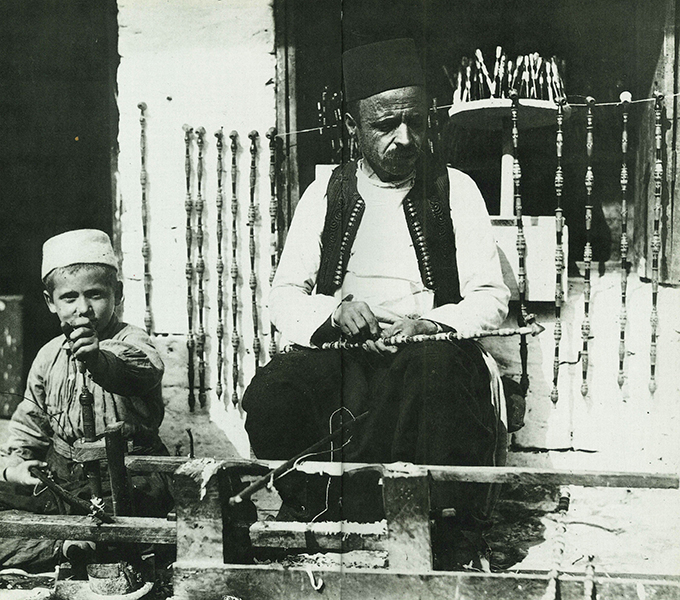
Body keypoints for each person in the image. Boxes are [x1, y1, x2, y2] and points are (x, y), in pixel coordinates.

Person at [242, 38, 511, 568]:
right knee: (276, 392)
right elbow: (284, 295)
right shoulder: (324, 193)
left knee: (431, 379)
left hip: (431, 350)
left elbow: (490, 297)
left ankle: (434, 532)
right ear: (352, 127)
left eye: (414, 121)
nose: (404, 138)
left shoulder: (456, 189)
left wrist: (428, 324)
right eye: (385, 125)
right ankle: (321, 515)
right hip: (343, 352)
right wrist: (334, 314)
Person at [0, 229, 173, 571]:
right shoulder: (49, 355)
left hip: (126, 480)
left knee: (121, 520)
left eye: (95, 295)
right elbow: (31, 423)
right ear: (51, 302)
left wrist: (98, 360)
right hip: (63, 479)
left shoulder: (132, 340)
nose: (83, 309)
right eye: (69, 298)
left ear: (117, 294)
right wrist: (17, 467)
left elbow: (141, 368)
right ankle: (70, 545)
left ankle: (76, 544)